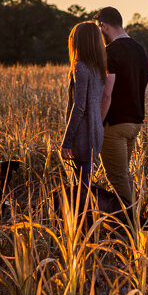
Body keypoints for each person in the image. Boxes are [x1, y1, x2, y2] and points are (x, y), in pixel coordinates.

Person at [95, 6, 148, 211]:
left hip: (114, 125)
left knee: (117, 179)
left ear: (104, 26)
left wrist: (98, 124)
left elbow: (107, 93)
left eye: (99, 28)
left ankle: (134, 226)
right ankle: (137, 219)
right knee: (124, 175)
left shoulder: (110, 52)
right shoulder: (140, 50)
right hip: (135, 122)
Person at [60, 22, 107, 198]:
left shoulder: (80, 67)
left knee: (82, 188)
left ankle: (85, 220)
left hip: (82, 136)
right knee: (84, 182)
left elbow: (79, 107)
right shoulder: (99, 68)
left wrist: (66, 141)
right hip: (96, 132)